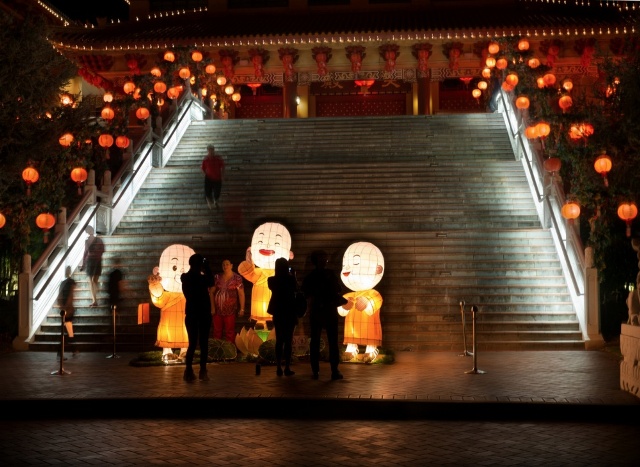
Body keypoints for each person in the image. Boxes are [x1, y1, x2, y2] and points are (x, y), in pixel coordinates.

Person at [302, 250, 346, 381]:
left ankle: (316, 370)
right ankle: (334, 370)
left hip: (317, 310)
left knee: (315, 341)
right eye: (323, 259)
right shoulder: (330, 274)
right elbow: (338, 289)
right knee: (332, 341)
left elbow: (305, 292)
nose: (325, 261)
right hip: (329, 310)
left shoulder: (310, 277)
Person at [181, 253, 215, 382]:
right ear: (200, 264)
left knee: (192, 343)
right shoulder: (202, 279)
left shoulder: (185, 277)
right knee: (203, 343)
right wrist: (207, 267)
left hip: (191, 313)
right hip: (203, 313)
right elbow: (211, 282)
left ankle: (189, 371)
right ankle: (203, 370)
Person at [267, 257, 298, 377]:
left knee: (279, 340)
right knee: (288, 340)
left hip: (278, 311)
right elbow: (296, 289)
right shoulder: (290, 279)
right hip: (290, 311)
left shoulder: (272, 280)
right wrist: (293, 275)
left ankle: (278, 367)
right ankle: (287, 367)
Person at [210, 259, 245, 343]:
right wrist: (213, 307)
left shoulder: (237, 278)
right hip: (218, 309)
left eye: (227, 264)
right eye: (223, 265)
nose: (225, 266)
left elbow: (241, 293)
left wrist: (242, 308)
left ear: (231, 266)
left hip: (230, 309)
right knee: (217, 331)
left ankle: (230, 349)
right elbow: (211, 292)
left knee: (230, 331)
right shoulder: (217, 277)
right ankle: (217, 348)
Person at [81, 226, 104, 307]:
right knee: (95, 280)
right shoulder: (99, 240)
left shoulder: (87, 241)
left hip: (90, 261)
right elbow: (102, 250)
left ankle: (94, 300)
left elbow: (85, 253)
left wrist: (83, 264)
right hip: (98, 261)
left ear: (87, 232)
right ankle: (96, 290)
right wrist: (97, 256)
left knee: (91, 281)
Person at [57, 266, 78, 356]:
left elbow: (59, 296)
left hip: (63, 310)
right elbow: (71, 296)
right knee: (69, 331)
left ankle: (70, 350)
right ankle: (69, 350)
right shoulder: (71, 282)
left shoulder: (62, 283)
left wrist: (61, 307)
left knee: (67, 330)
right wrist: (67, 307)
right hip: (68, 309)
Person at [201, 143, 224, 209]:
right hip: (208, 178)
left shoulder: (218, 158)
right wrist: (205, 175)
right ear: (207, 151)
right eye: (209, 150)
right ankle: (209, 203)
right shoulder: (205, 159)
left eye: (212, 150)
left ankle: (215, 201)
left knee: (217, 191)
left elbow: (222, 166)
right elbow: (202, 168)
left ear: (214, 150)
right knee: (207, 191)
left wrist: (222, 175)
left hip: (217, 178)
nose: (211, 152)